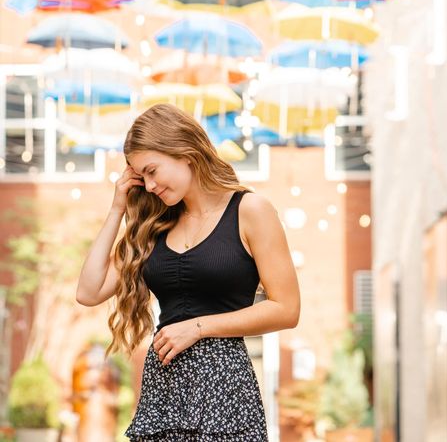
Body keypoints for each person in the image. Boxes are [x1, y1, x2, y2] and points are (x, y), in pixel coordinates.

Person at [76, 103, 300, 441]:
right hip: (162, 392)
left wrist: (198, 328)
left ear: (184, 153)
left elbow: (287, 309)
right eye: (141, 176)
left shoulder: (250, 210)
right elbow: (88, 291)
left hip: (224, 392)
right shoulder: (153, 226)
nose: (149, 186)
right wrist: (117, 208)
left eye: (152, 171)